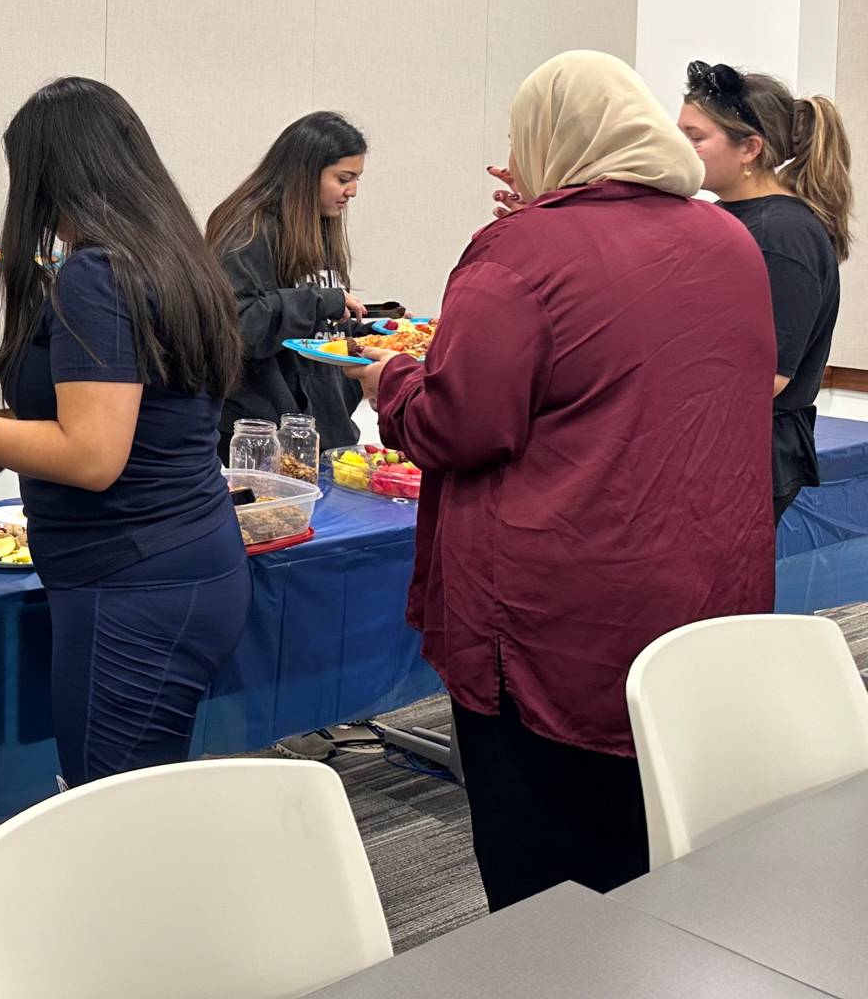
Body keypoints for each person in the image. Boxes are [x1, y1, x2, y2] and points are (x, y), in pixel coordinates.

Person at [350, 50, 774, 911]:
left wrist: (388, 384)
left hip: (554, 615)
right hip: (701, 587)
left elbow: (459, 423)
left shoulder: (518, 252)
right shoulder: (728, 239)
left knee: (548, 880)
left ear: (549, 142)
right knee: (662, 847)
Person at [0, 77, 249, 788]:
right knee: (141, 790)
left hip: (133, 580)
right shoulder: (172, 257)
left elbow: (92, 455)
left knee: (109, 805)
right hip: (187, 559)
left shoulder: (96, 274)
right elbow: (118, 420)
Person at [680, 62, 852, 522]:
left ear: (750, 149)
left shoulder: (781, 234)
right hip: (715, 445)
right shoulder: (727, 217)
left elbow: (768, 376)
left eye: (696, 137)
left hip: (746, 456)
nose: (682, 148)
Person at [206, 113, 369, 451]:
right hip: (265, 437)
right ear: (306, 174)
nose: (352, 191)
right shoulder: (248, 229)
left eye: (356, 179)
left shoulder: (321, 224)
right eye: (343, 178)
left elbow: (321, 327)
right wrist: (320, 301)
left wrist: (375, 333)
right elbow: (235, 325)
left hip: (325, 432)